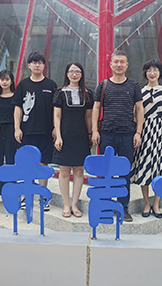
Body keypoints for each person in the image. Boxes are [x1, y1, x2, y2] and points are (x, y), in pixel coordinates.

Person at [91, 50, 144, 222]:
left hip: (128, 135)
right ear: (111, 64)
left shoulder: (134, 85)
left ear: (127, 65)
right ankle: (105, 204)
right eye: (116, 62)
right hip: (107, 134)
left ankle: (123, 207)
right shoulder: (103, 85)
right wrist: (95, 130)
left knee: (124, 172)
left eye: (122, 62)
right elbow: (96, 108)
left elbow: (140, 109)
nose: (119, 65)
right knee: (105, 171)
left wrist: (138, 132)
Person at [12, 51, 57, 210]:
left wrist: (56, 128)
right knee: (27, 164)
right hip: (27, 131)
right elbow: (17, 108)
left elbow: (56, 110)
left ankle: (43, 196)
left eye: (40, 62)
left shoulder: (51, 85)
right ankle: (27, 195)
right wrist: (17, 128)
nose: (37, 65)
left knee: (43, 163)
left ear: (44, 65)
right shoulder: (23, 85)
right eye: (34, 62)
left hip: (46, 131)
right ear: (29, 65)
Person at [132, 60, 162, 219]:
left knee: (159, 167)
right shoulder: (139, 92)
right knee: (144, 167)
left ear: (160, 72)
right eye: (149, 70)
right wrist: (138, 132)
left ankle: (156, 204)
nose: (152, 73)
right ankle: (146, 204)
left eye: (155, 70)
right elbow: (135, 114)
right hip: (144, 130)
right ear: (145, 73)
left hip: (160, 131)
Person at [53, 62, 93, 218]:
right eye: (71, 71)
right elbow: (57, 116)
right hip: (65, 136)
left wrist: (90, 134)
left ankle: (75, 204)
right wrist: (58, 136)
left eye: (77, 71)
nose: (74, 74)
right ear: (67, 74)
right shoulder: (60, 93)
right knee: (64, 171)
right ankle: (66, 204)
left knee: (79, 170)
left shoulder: (88, 93)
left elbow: (88, 116)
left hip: (81, 136)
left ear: (82, 74)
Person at [0, 70, 18, 203]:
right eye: (2, 79)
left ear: (11, 81)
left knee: (11, 161)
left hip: (11, 129)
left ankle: (11, 189)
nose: (4, 82)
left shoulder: (16, 97)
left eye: (7, 79)